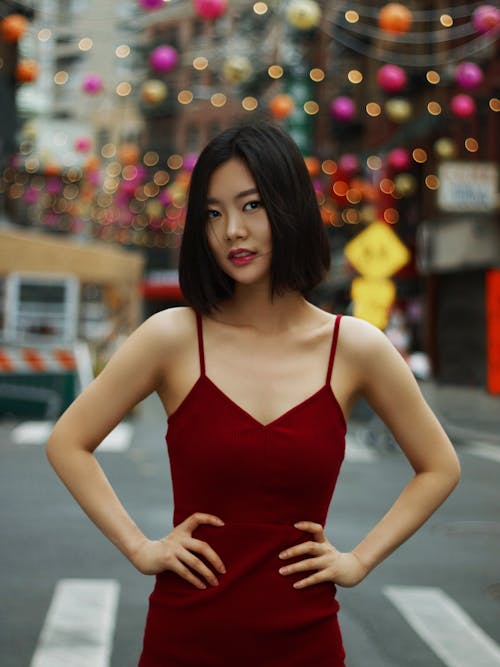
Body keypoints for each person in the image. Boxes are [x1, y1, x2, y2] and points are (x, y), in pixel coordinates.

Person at [46, 122, 460, 666]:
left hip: (306, 638)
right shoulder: (172, 337)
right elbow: (67, 442)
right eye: (213, 214)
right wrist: (140, 547)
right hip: (185, 637)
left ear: (288, 207)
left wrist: (359, 561)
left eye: (252, 206)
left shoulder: (354, 346)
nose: (232, 231)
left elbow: (439, 467)